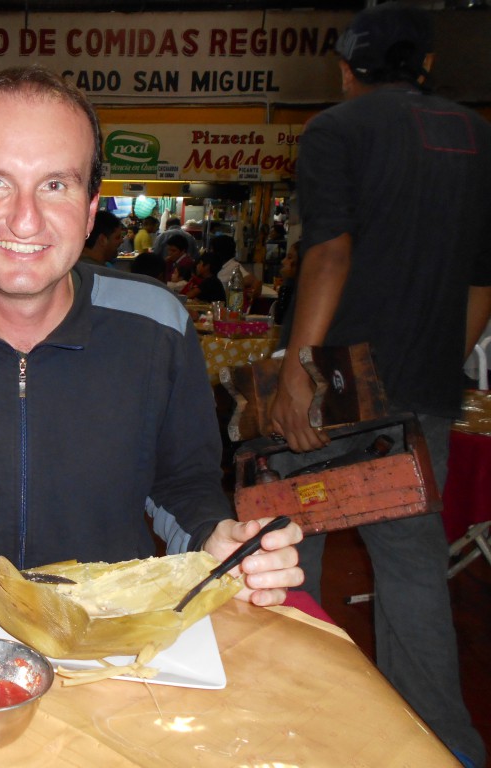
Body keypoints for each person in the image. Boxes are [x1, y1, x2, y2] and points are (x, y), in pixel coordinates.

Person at [0, 65, 302, 609]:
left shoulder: (160, 326)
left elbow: (182, 484)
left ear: (91, 206)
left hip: (113, 636)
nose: (25, 221)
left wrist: (212, 539)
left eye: (55, 184)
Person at [268, 6, 491, 765]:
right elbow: (482, 286)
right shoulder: (480, 138)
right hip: (426, 383)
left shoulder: (339, 130)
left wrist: (301, 374)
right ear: (425, 65)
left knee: (288, 541)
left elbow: (329, 255)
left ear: (347, 68)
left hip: (335, 374)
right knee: (412, 567)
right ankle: (439, 748)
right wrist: (425, 371)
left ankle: (291, 720)